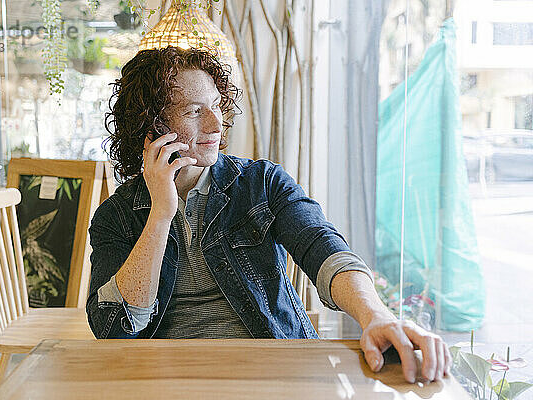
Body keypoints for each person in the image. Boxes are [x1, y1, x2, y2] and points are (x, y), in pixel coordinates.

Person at [87, 46, 451, 384]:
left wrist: (376, 315)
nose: (216, 125)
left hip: (274, 373)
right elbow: (115, 325)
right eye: (194, 111)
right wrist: (161, 215)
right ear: (152, 126)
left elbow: (321, 245)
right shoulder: (115, 217)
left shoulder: (261, 183)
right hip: (170, 380)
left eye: (216, 105)